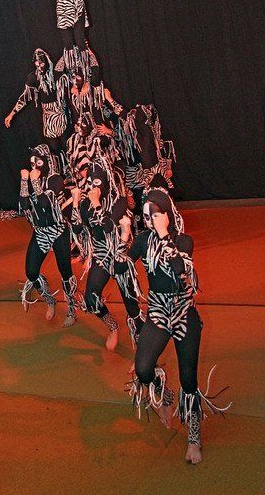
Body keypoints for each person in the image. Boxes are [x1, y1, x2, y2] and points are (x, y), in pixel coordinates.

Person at [127, 188, 230, 464]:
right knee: (143, 368)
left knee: (189, 379)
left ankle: (194, 436)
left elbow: (179, 270)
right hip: (158, 311)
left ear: (167, 214)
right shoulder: (143, 240)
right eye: (145, 216)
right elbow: (122, 265)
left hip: (184, 314)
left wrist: (163, 235)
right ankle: (165, 396)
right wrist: (120, 238)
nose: (149, 220)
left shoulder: (184, 240)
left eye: (154, 215)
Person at [79, 153, 143, 351]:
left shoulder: (119, 201)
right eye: (90, 181)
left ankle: (142, 347)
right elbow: (84, 229)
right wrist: (75, 204)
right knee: (91, 299)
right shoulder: (85, 203)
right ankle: (113, 327)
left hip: (120, 254)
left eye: (98, 181)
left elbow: (108, 227)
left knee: (132, 306)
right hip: (101, 255)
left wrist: (97, 204)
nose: (93, 186)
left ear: (107, 180)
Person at [19, 144, 82, 327]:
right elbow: (25, 205)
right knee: (31, 272)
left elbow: (46, 204)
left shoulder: (55, 179)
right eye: (32, 163)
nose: (35, 167)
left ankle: (71, 309)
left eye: (38, 162)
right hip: (41, 231)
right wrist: (24, 181)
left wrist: (35, 182)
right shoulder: (32, 178)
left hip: (58, 230)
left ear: (46, 161)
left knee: (65, 271)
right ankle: (49, 299)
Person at [5, 49, 69, 168]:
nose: (40, 66)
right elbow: (25, 97)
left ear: (47, 61)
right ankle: (61, 171)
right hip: (48, 116)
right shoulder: (34, 77)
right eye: (37, 63)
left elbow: (66, 55)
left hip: (60, 113)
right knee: (54, 149)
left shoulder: (56, 72)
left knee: (66, 145)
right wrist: (12, 114)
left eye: (42, 63)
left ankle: (71, 169)